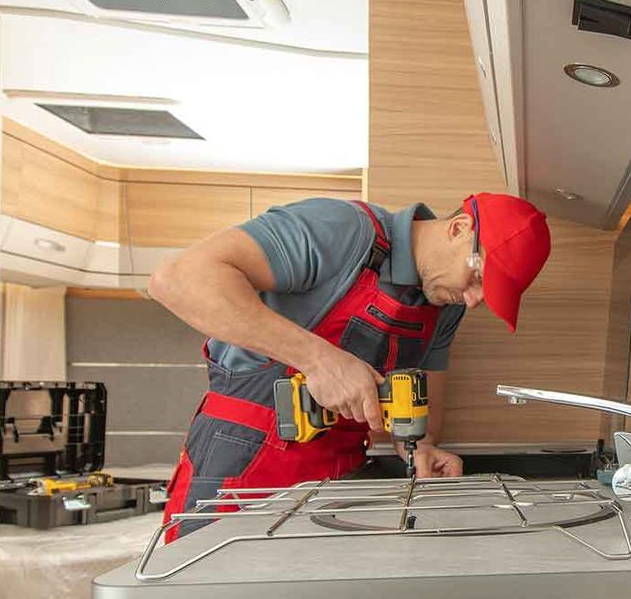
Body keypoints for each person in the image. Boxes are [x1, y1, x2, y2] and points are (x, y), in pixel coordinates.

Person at [148, 192, 550, 537]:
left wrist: (420, 448)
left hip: (338, 480)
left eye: (490, 294)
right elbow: (178, 279)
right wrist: (319, 360)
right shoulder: (341, 230)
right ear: (459, 228)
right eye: (479, 277)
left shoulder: (445, 306)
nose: (476, 299)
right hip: (243, 463)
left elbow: (418, 417)